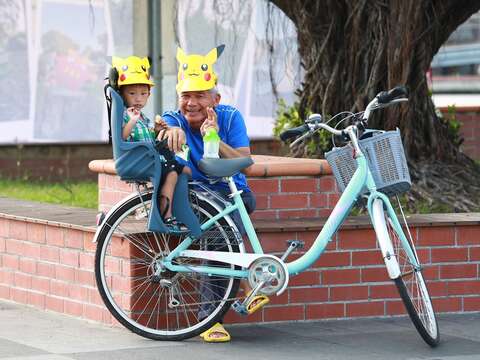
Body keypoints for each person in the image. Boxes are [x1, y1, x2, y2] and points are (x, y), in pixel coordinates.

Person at [159, 45, 269, 342]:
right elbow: (162, 124)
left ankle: (234, 295)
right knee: (218, 232)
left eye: (200, 96)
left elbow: (244, 164)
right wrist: (168, 130)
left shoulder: (231, 117)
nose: (191, 103)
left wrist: (215, 137)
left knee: (226, 223)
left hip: (232, 194)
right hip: (195, 197)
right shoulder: (176, 118)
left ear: (215, 99)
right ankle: (214, 316)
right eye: (186, 96)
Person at [112, 56, 190, 232]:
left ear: (148, 94)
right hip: (139, 159)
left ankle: (173, 208)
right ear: (123, 94)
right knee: (173, 173)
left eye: (143, 94)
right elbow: (121, 137)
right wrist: (132, 120)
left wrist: (156, 129)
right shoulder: (127, 114)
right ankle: (166, 215)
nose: (138, 98)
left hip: (147, 156)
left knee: (182, 168)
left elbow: (148, 136)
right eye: (132, 93)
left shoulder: (143, 116)